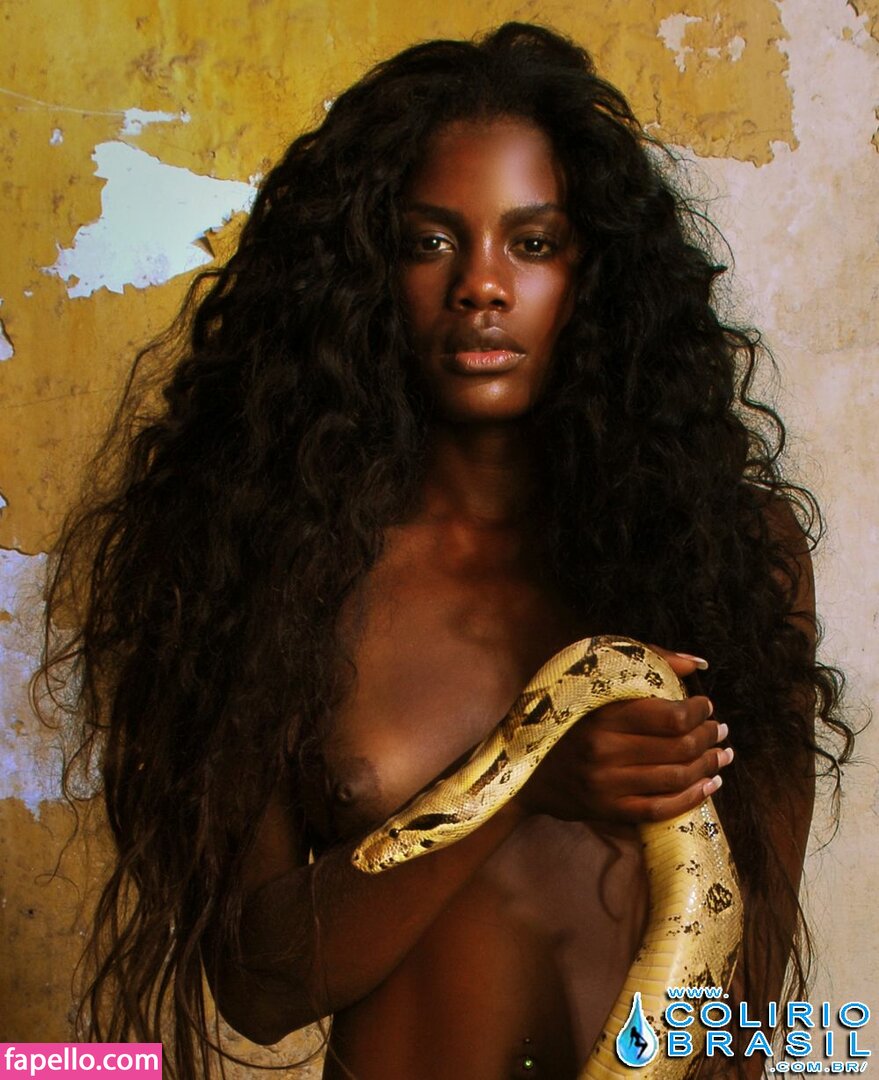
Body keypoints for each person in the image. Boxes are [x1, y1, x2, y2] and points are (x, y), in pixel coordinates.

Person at [40, 22, 852, 1080]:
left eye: (532, 242)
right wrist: (525, 771)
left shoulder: (730, 555)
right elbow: (260, 988)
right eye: (429, 242)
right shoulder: (271, 571)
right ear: (362, 274)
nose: (480, 286)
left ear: (595, 272)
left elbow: (751, 958)